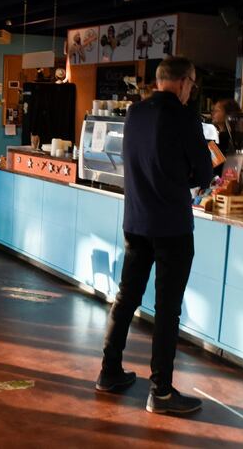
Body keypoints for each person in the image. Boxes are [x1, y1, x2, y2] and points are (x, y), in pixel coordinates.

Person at [97, 56, 212, 415]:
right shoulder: (185, 116)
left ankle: (108, 372)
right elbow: (203, 171)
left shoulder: (135, 113)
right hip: (172, 227)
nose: (192, 91)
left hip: (136, 221)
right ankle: (160, 392)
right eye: (191, 84)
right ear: (181, 81)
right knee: (167, 309)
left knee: (126, 297)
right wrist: (193, 177)